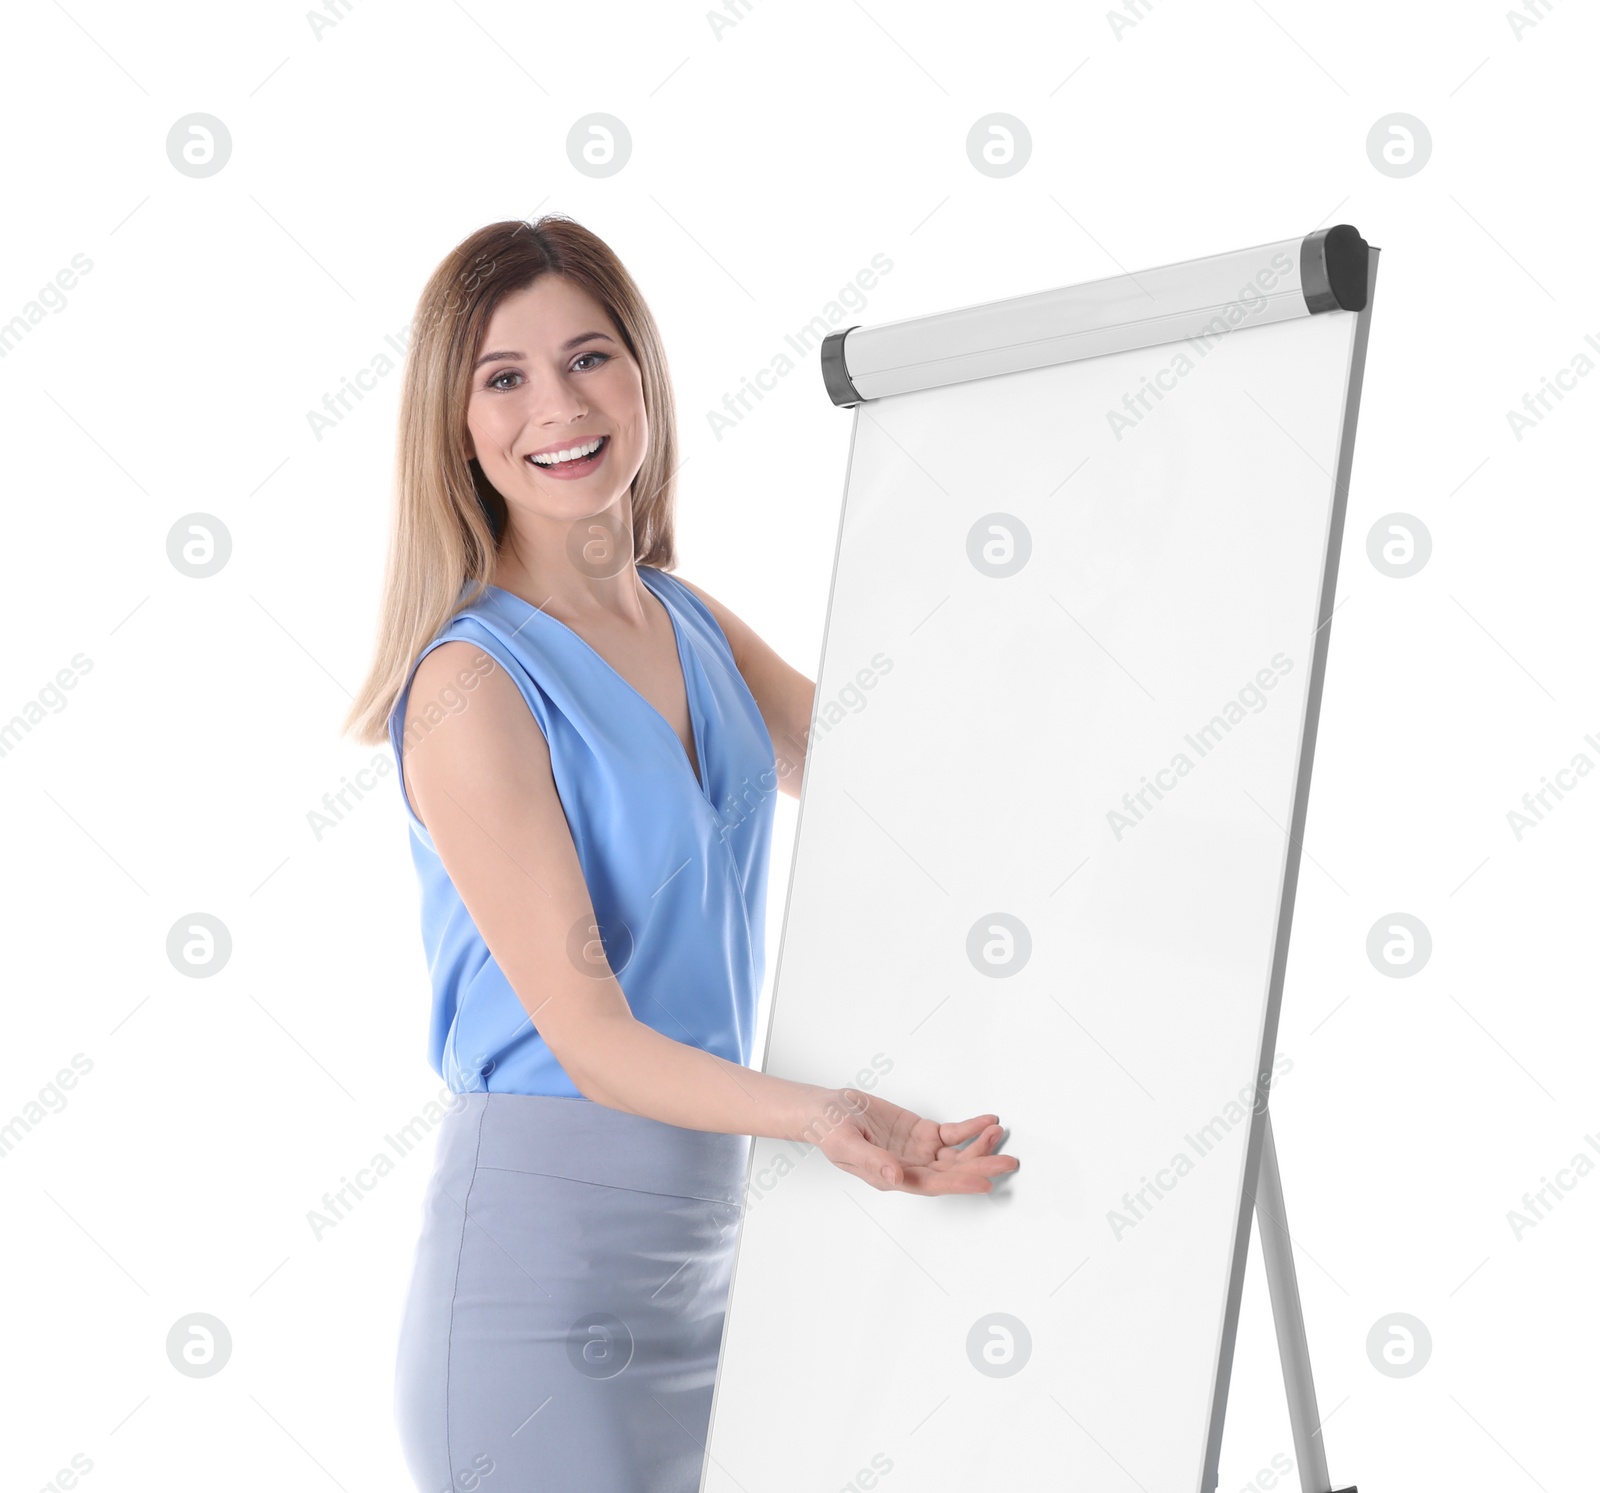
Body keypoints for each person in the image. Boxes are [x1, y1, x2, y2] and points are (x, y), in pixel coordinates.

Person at [341, 214, 1019, 1492]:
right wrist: (823, 1110)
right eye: (505, 377)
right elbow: (589, 1036)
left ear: (643, 376)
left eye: (590, 357)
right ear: (456, 423)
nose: (559, 404)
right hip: (536, 1279)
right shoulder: (470, 684)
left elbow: (901, 791)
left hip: (708, 1248)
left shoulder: (693, 619)